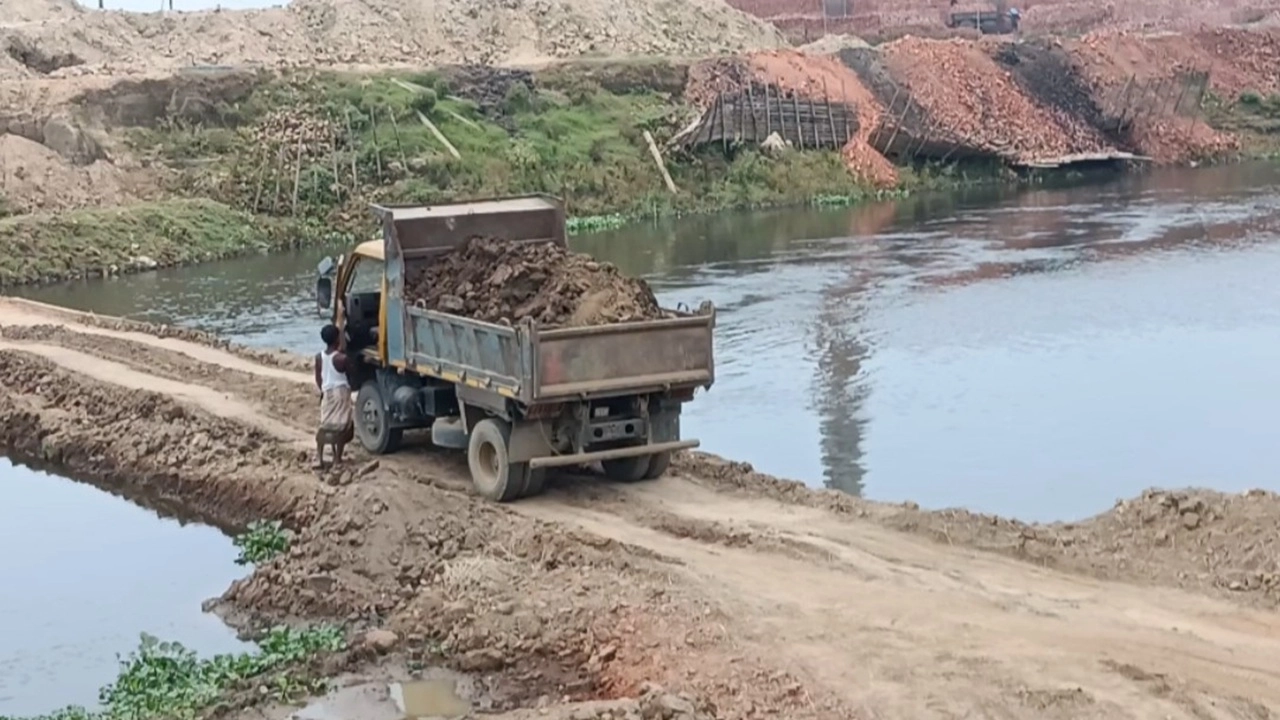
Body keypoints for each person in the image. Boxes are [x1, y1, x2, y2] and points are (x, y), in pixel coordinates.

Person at [314, 324, 353, 469]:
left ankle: (320, 458)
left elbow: (318, 378)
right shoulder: (342, 358)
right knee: (341, 426)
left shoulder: (319, 357)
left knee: (326, 425)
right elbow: (350, 376)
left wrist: (323, 391)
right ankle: (337, 459)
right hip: (340, 392)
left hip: (327, 392)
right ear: (337, 338)